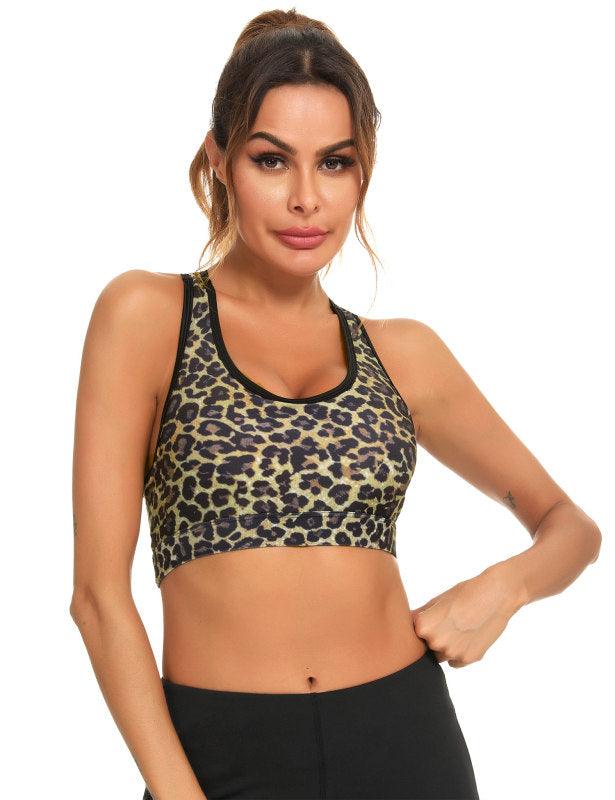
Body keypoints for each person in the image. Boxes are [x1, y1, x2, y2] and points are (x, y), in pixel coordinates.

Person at [70, 9, 602, 800]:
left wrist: (501, 590)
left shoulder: (402, 352)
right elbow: (97, 599)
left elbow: (570, 527)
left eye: (334, 163)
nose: (305, 199)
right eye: (271, 160)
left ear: (362, 173)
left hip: (405, 741)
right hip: (218, 754)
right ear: (219, 161)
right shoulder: (146, 317)